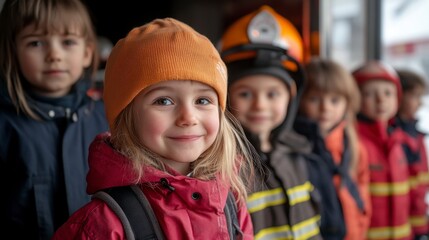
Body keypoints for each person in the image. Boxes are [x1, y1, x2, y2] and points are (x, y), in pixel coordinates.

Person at [52, 18, 258, 239]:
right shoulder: (101, 225)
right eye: (164, 101)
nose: (188, 118)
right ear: (127, 115)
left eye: (203, 100)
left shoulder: (230, 202)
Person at [0, 0, 109, 239]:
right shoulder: (5, 126)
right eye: (36, 42)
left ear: (87, 53)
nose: (54, 55)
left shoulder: (107, 118)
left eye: (68, 42)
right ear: (12, 52)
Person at [219, 5, 322, 239]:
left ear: (292, 98)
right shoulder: (222, 167)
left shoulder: (301, 153)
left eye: (273, 94)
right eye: (245, 94)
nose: (260, 105)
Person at [294, 57, 371, 239]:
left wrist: (360, 229)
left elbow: (363, 197)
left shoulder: (354, 146)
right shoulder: (296, 149)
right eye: (314, 99)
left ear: (347, 103)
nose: (325, 108)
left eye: (335, 100)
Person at [352, 60, 411, 239]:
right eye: (369, 94)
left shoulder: (400, 140)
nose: (381, 100)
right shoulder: (354, 141)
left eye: (388, 93)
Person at [395, 69, 429, 239]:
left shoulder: (416, 134)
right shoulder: (394, 137)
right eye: (415, 96)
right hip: (402, 223)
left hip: (417, 220)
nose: (419, 104)